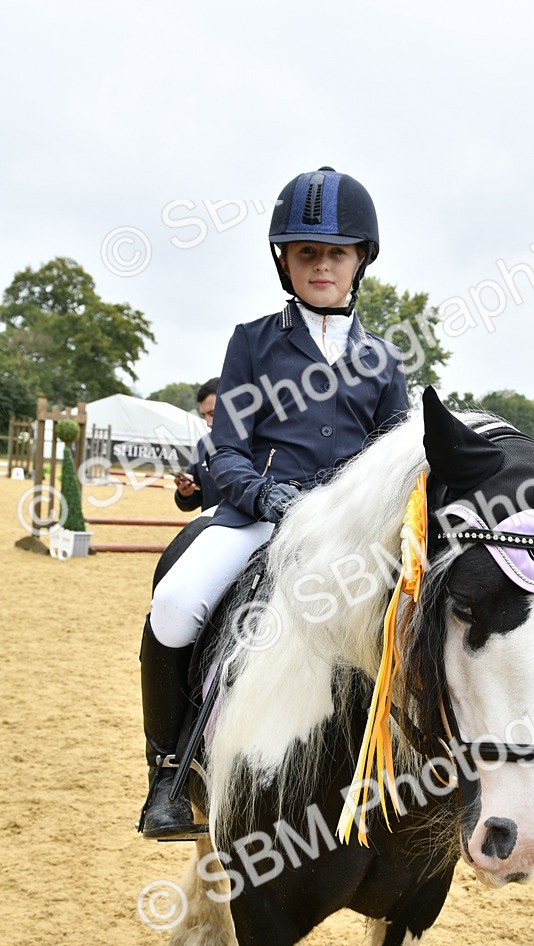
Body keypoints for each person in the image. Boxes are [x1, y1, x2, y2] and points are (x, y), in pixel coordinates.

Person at [138, 166, 409, 840]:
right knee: (174, 605)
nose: (322, 266)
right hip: (259, 520)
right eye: (307, 253)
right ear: (284, 262)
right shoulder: (252, 342)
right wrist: (267, 494)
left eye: (335, 253)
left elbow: (399, 459)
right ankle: (170, 774)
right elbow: (225, 448)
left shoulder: (383, 361)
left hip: (348, 538)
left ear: (359, 262)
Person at [173, 378, 222, 513]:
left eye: (212, 414)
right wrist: (184, 495)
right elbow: (195, 501)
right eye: (204, 415)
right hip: (211, 529)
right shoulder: (203, 444)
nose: (208, 423)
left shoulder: (258, 444)